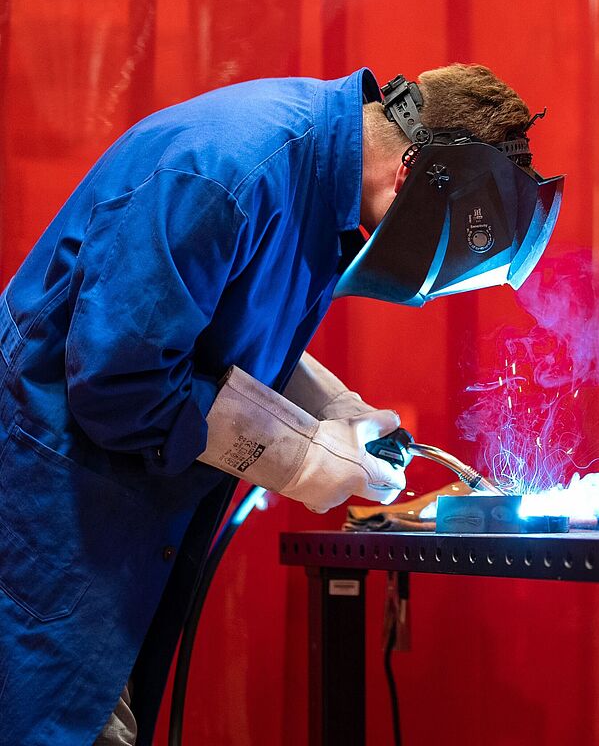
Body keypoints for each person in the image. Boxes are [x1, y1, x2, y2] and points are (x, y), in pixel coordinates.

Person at [0, 64, 563, 746]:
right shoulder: (225, 175)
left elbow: (216, 337)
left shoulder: (318, 181)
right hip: (48, 521)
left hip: (118, 531)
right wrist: (301, 459)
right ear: (414, 175)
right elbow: (122, 384)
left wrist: (339, 410)